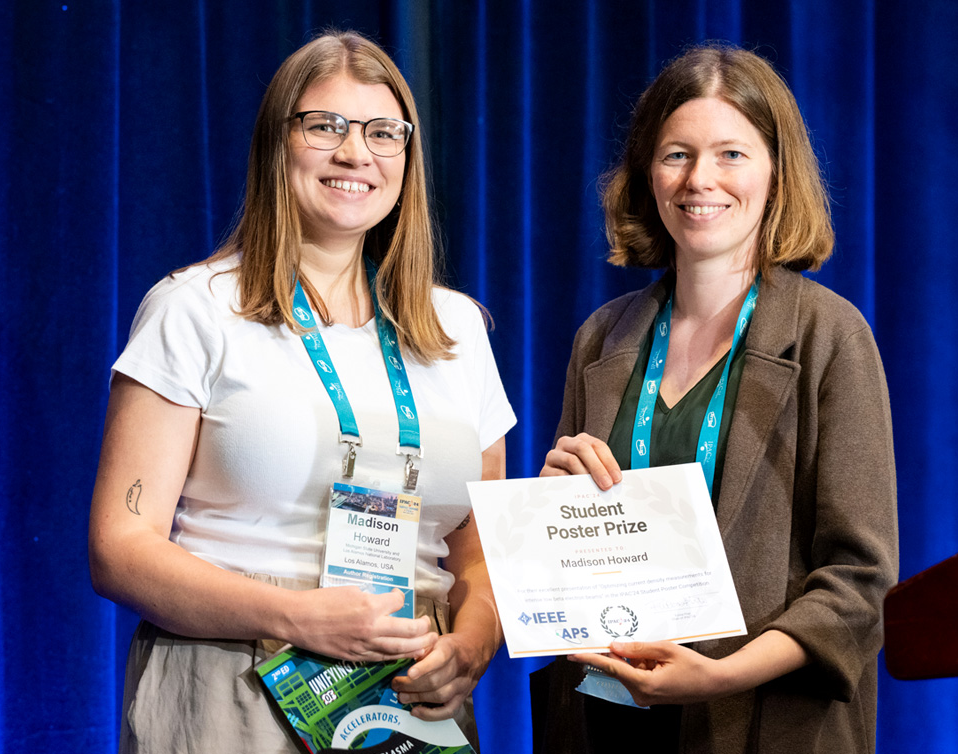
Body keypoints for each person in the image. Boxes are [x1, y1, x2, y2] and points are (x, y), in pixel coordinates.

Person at [88, 30, 515, 752]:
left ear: (407, 159)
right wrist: (296, 616)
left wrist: (470, 646)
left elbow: (482, 549)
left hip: (409, 698)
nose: (356, 153)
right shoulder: (194, 308)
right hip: (239, 681)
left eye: (383, 133)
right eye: (326, 126)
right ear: (276, 144)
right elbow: (119, 547)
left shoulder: (458, 327)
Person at [532, 43, 898, 753]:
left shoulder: (830, 335)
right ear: (646, 173)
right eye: (676, 155)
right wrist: (550, 512)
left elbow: (859, 584)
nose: (701, 178)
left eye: (732, 153)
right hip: (607, 721)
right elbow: (565, 575)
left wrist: (718, 675)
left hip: (759, 722)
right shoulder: (601, 338)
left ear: (775, 172)